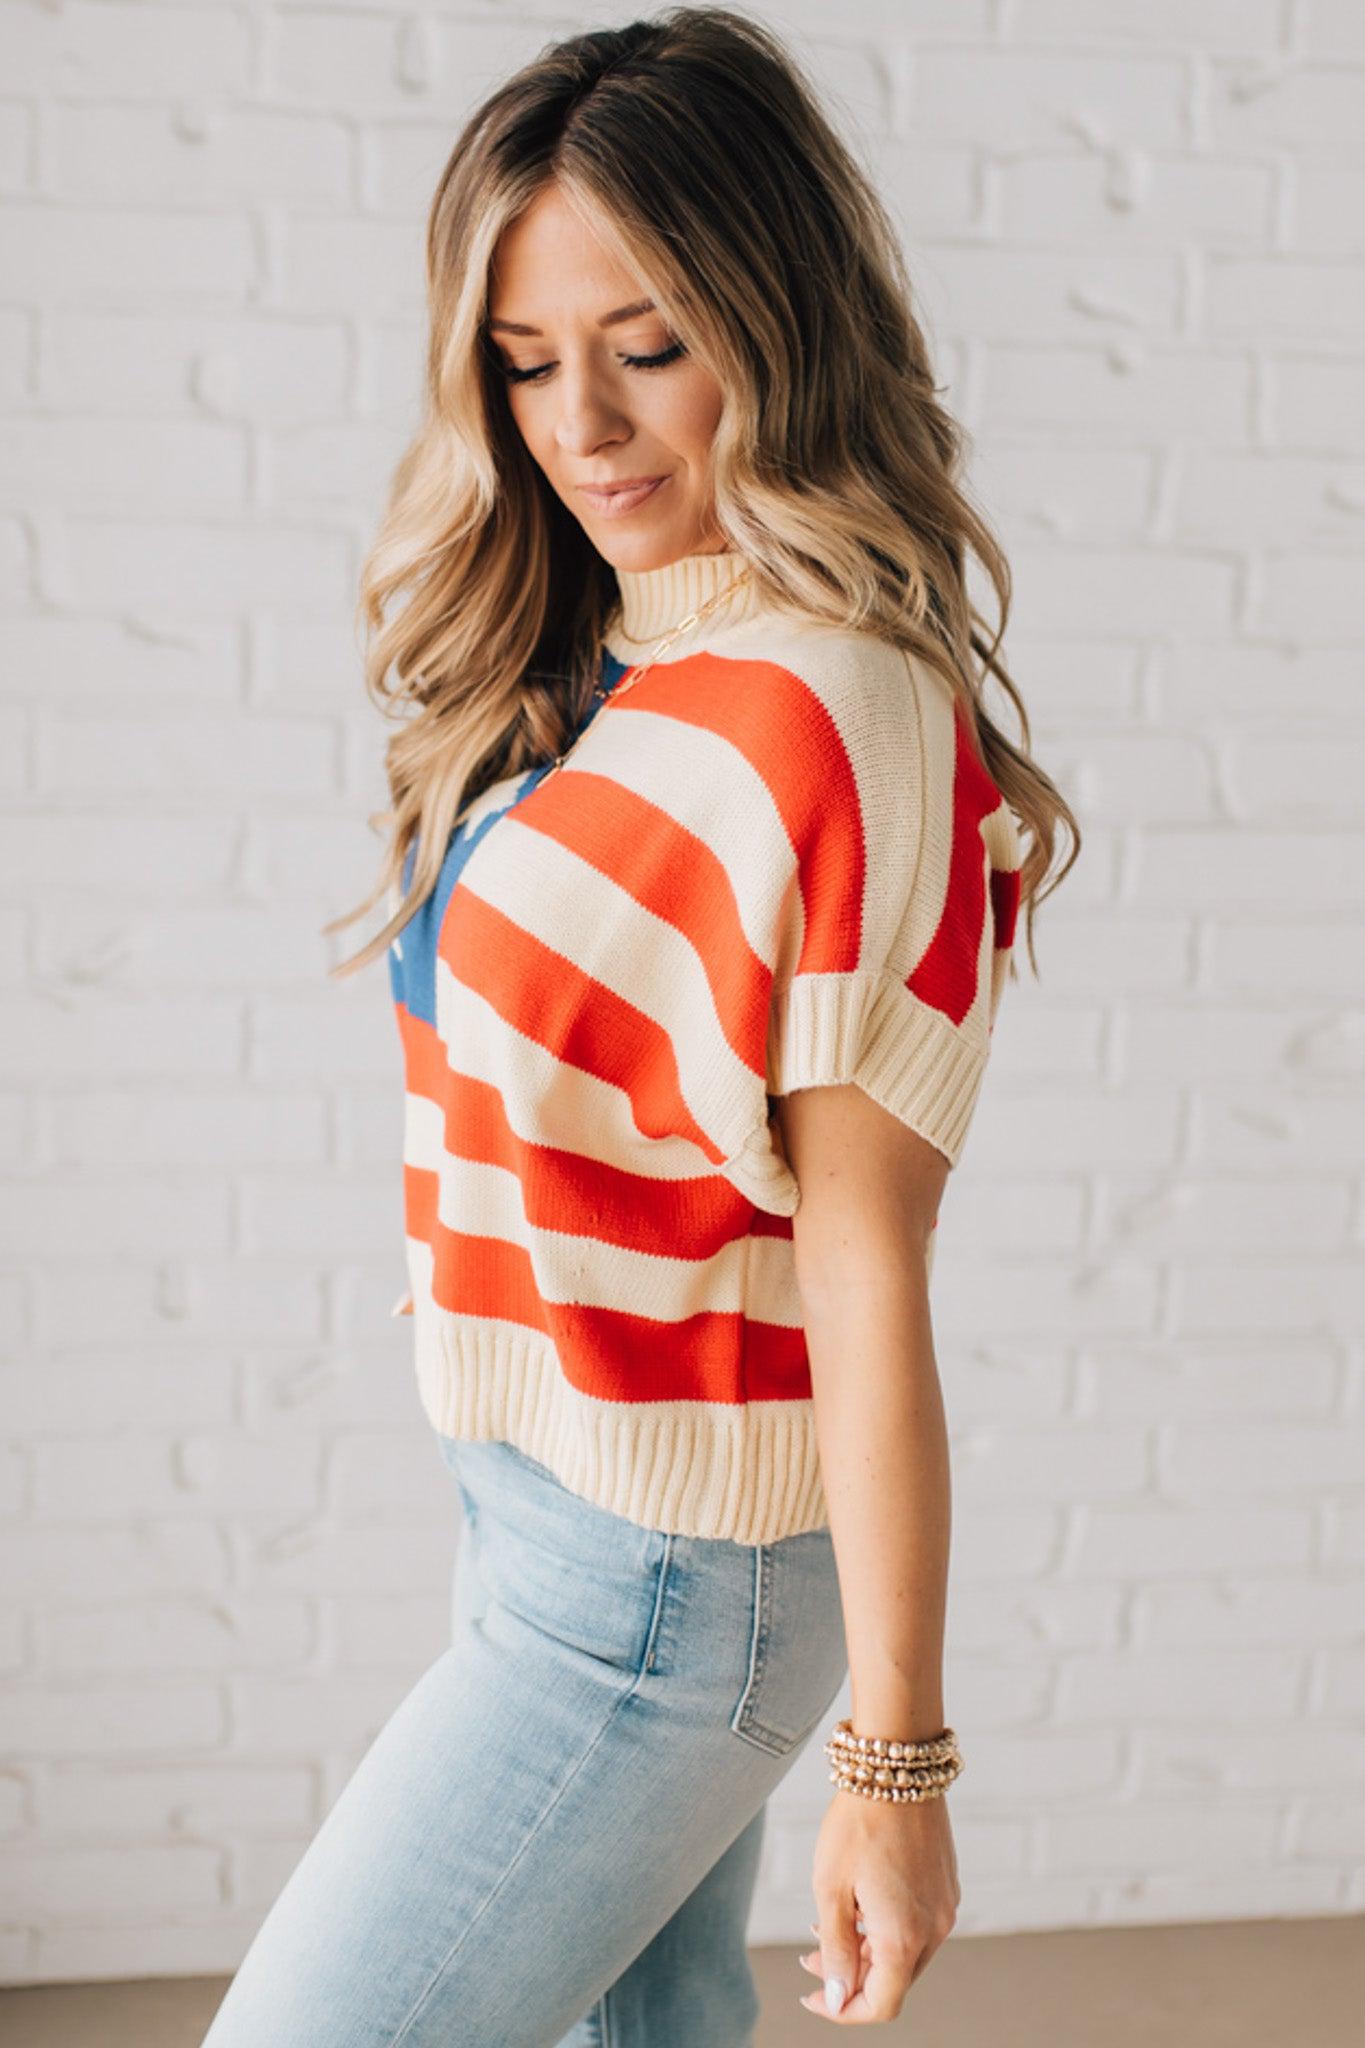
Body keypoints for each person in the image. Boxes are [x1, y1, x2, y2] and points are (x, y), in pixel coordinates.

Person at [201, 7, 1078, 2043]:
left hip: (660, 1596)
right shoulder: (616, 652)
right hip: (535, 1514)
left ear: (774, 319)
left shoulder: (835, 702)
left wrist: (897, 1765)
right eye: (522, 364)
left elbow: (862, 1263)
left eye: (647, 343)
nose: (579, 425)